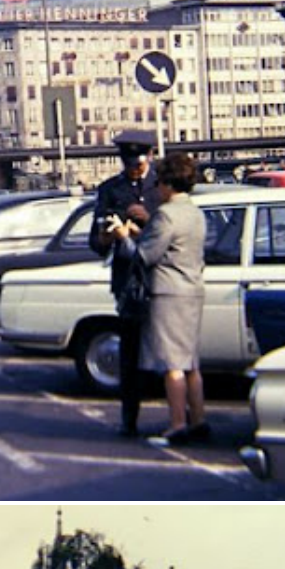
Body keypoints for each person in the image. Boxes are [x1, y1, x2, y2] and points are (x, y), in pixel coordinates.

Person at [108, 150, 208, 447]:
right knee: (191, 362)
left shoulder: (166, 214)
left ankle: (177, 424)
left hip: (168, 293)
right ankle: (199, 420)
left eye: (160, 183)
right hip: (193, 288)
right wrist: (143, 232)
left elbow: (144, 256)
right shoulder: (195, 212)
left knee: (173, 364)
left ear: (167, 183)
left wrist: (123, 237)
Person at [90, 129, 162, 438]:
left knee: (170, 351)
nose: (134, 167)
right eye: (129, 162)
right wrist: (108, 237)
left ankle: (180, 417)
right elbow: (96, 242)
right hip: (129, 281)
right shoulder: (110, 190)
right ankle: (129, 419)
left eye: (139, 162)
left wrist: (143, 220)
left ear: (148, 158)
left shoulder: (163, 187)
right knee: (129, 353)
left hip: (160, 277)